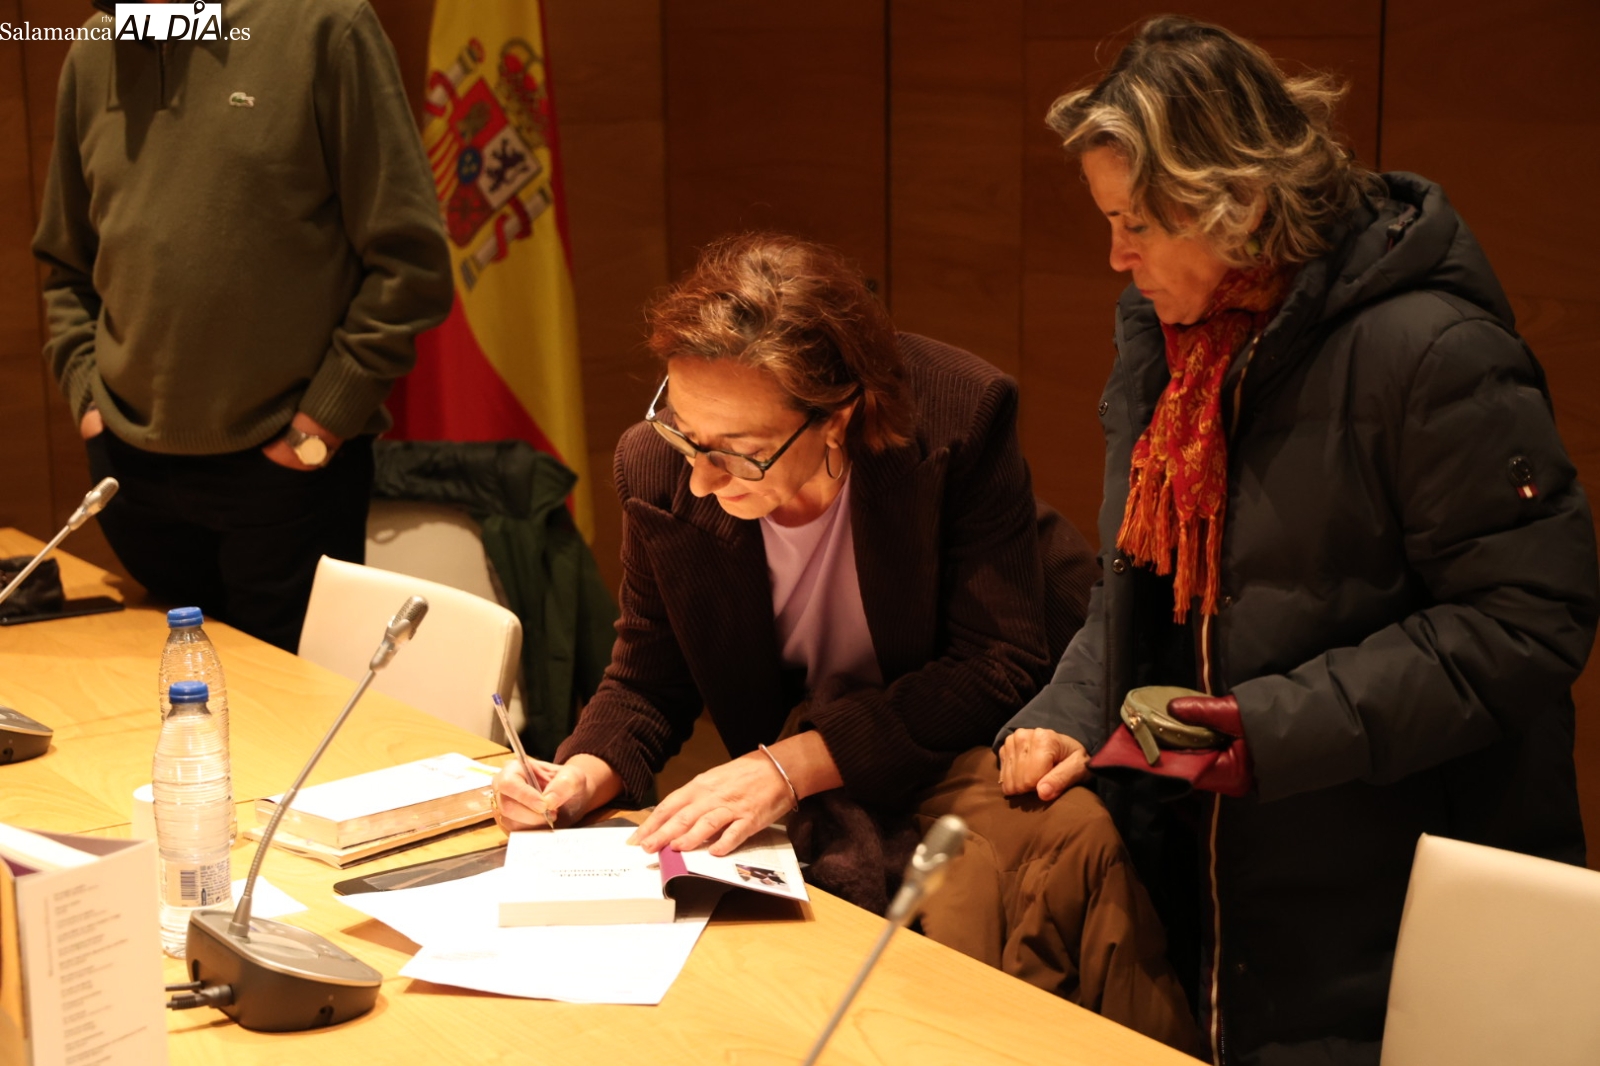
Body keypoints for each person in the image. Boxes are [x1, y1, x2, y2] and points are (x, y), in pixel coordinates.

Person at [998, 16, 1599, 1066]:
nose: (1116, 255)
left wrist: (1270, 730)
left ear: (1236, 201)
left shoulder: (1432, 350)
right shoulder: (1171, 344)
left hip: (1391, 901)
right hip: (1222, 890)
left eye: (1137, 222)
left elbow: (1528, 622)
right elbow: (1136, 581)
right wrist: (1066, 709)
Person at [493, 233, 1196, 1047]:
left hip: (956, 746)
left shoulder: (956, 418)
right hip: (806, 778)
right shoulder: (655, 469)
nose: (700, 479)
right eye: (684, 433)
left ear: (838, 419)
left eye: (740, 455)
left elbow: (995, 666)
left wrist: (790, 767)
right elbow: (649, 676)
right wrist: (581, 773)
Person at [32, 0, 452, 650]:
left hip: (288, 477)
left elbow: (411, 264)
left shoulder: (325, 26)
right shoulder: (93, 49)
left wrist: (317, 431)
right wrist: (90, 405)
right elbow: (66, 265)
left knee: (297, 713)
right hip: (131, 477)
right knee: (167, 705)